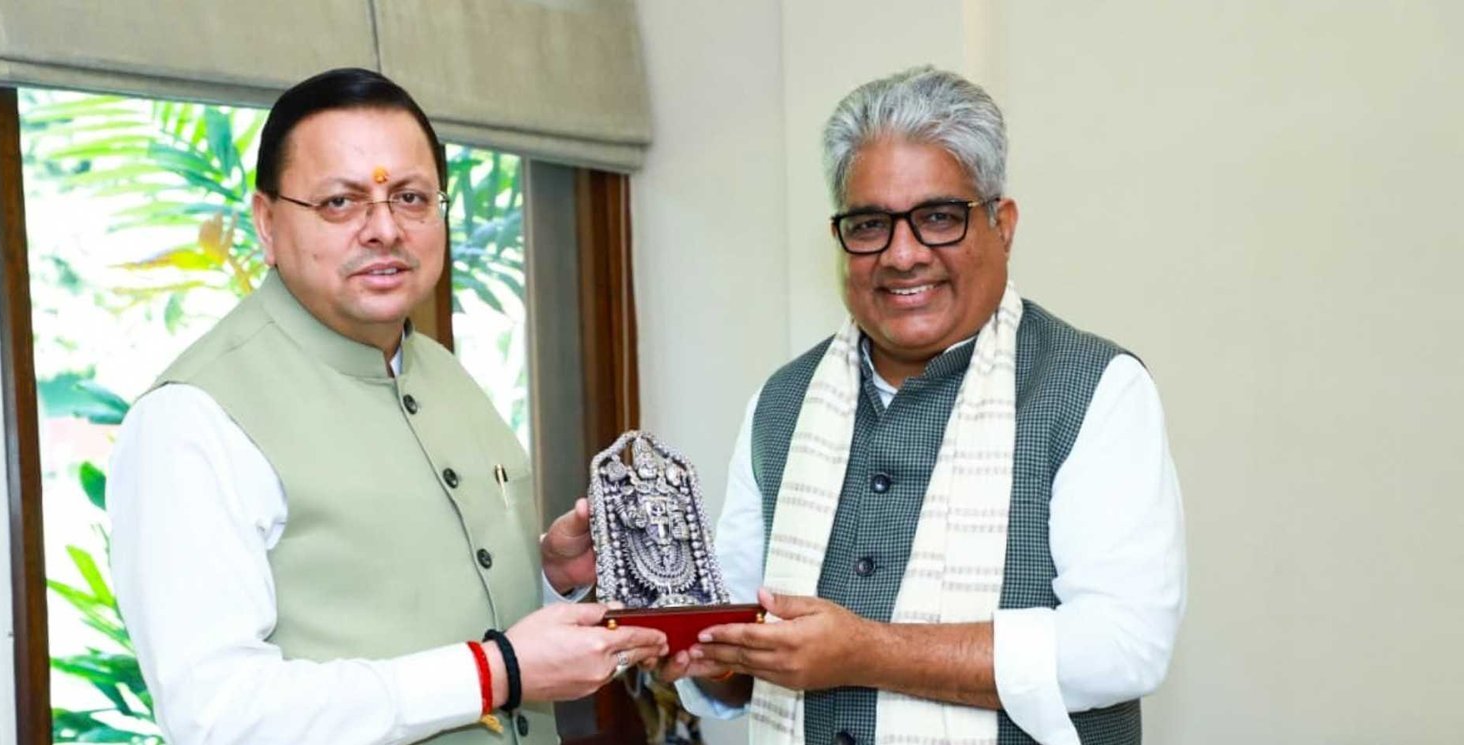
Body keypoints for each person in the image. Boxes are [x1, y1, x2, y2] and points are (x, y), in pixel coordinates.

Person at [107, 67, 666, 745]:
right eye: (340, 202)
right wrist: (495, 672)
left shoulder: (443, 373)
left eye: (410, 197)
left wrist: (549, 578)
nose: (384, 229)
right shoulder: (191, 418)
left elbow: (435, 609)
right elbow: (219, 715)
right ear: (266, 222)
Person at [658, 65, 1186, 745]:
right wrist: (702, 655)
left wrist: (868, 652)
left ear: (1003, 225)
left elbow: (1124, 645)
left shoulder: (1094, 389)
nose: (902, 255)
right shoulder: (781, 404)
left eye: (938, 218)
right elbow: (736, 656)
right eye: (870, 224)